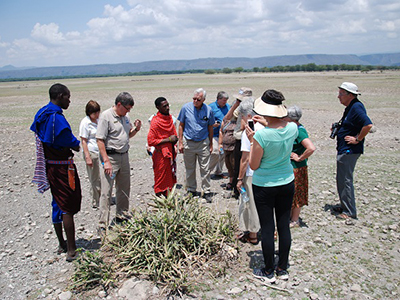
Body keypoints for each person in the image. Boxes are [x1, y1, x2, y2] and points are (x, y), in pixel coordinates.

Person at [248, 89, 298, 283]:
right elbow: (280, 127)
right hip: (286, 182)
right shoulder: (292, 128)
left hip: (264, 185)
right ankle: (282, 268)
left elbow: (254, 165)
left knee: (268, 228)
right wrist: (267, 123)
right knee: (284, 225)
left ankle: (268, 271)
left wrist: (253, 140)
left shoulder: (261, 137)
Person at [31, 83, 81, 262]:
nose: (69, 100)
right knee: (67, 205)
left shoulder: (42, 113)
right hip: (61, 167)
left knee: (57, 203)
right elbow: (70, 141)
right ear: (60, 96)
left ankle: (61, 243)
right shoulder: (56, 119)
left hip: (50, 165)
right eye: (67, 96)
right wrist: (77, 145)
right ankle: (71, 250)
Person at [96, 92, 142, 234]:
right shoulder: (106, 116)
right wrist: (106, 161)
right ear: (119, 104)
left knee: (124, 188)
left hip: (124, 157)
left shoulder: (125, 117)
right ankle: (102, 223)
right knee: (106, 191)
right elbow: (100, 140)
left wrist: (136, 129)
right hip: (110, 158)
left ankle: (121, 215)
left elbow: (127, 135)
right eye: (127, 108)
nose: (128, 111)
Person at [333, 82, 373, 221]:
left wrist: (357, 138)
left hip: (349, 150)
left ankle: (349, 211)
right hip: (345, 149)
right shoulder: (352, 106)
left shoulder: (356, 107)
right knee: (341, 179)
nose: (338, 97)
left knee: (345, 180)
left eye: (341, 94)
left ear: (350, 95)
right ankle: (345, 206)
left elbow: (368, 124)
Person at [177, 88, 215, 203]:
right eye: (194, 98)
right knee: (190, 168)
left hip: (203, 142)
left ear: (203, 99)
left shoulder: (208, 110)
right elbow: (181, 125)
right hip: (188, 142)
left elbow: (210, 127)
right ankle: (191, 190)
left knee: (205, 169)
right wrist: (180, 142)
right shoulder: (185, 108)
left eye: (198, 99)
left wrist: (211, 143)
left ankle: (206, 191)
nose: (195, 101)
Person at [285, 105, 316, 227]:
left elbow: (311, 148)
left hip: (297, 167)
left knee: (297, 193)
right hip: (292, 166)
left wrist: (299, 157)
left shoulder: (299, 131)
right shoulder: (294, 128)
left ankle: (295, 220)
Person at [223, 87, 255, 198]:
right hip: (239, 139)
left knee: (244, 164)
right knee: (237, 165)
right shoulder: (238, 105)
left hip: (245, 137)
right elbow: (227, 117)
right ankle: (237, 190)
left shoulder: (250, 107)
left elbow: (242, 124)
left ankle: (241, 189)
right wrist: (235, 105)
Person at [236, 117, 262, 244]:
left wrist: (240, 178)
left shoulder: (248, 132)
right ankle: (272, 231)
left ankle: (253, 234)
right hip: (267, 173)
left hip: (252, 173)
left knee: (251, 204)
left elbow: (245, 159)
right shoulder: (268, 128)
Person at [147, 97, 178, 197]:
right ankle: (160, 201)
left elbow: (174, 135)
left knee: (170, 179)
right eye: (164, 106)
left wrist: (175, 142)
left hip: (170, 154)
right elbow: (151, 141)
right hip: (160, 155)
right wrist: (168, 140)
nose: (167, 108)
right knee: (160, 179)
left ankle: (168, 200)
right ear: (158, 107)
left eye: (168, 105)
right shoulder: (155, 122)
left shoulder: (169, 118)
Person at [79, 100, 101, 209]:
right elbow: (83, 141)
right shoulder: (85, 123)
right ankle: (96, 200)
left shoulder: (99, 121)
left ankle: (103, 198)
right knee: (94, 177)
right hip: (92, 152)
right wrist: (87, 156)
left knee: (102, 176)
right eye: (94, 113)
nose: (97, 115)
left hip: (101, 152)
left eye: (98, 112)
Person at [209, 91, 230, 179]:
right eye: (224, 100)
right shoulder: (210, 107)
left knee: (223, 153)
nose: (225, 102)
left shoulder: (228, 107)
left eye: (226, 100)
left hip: (225, 133)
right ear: (218, 99)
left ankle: (218, 171)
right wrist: (213, 124)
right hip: (214, 134)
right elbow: (205, 120)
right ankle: (207, 171)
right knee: (215, 151)